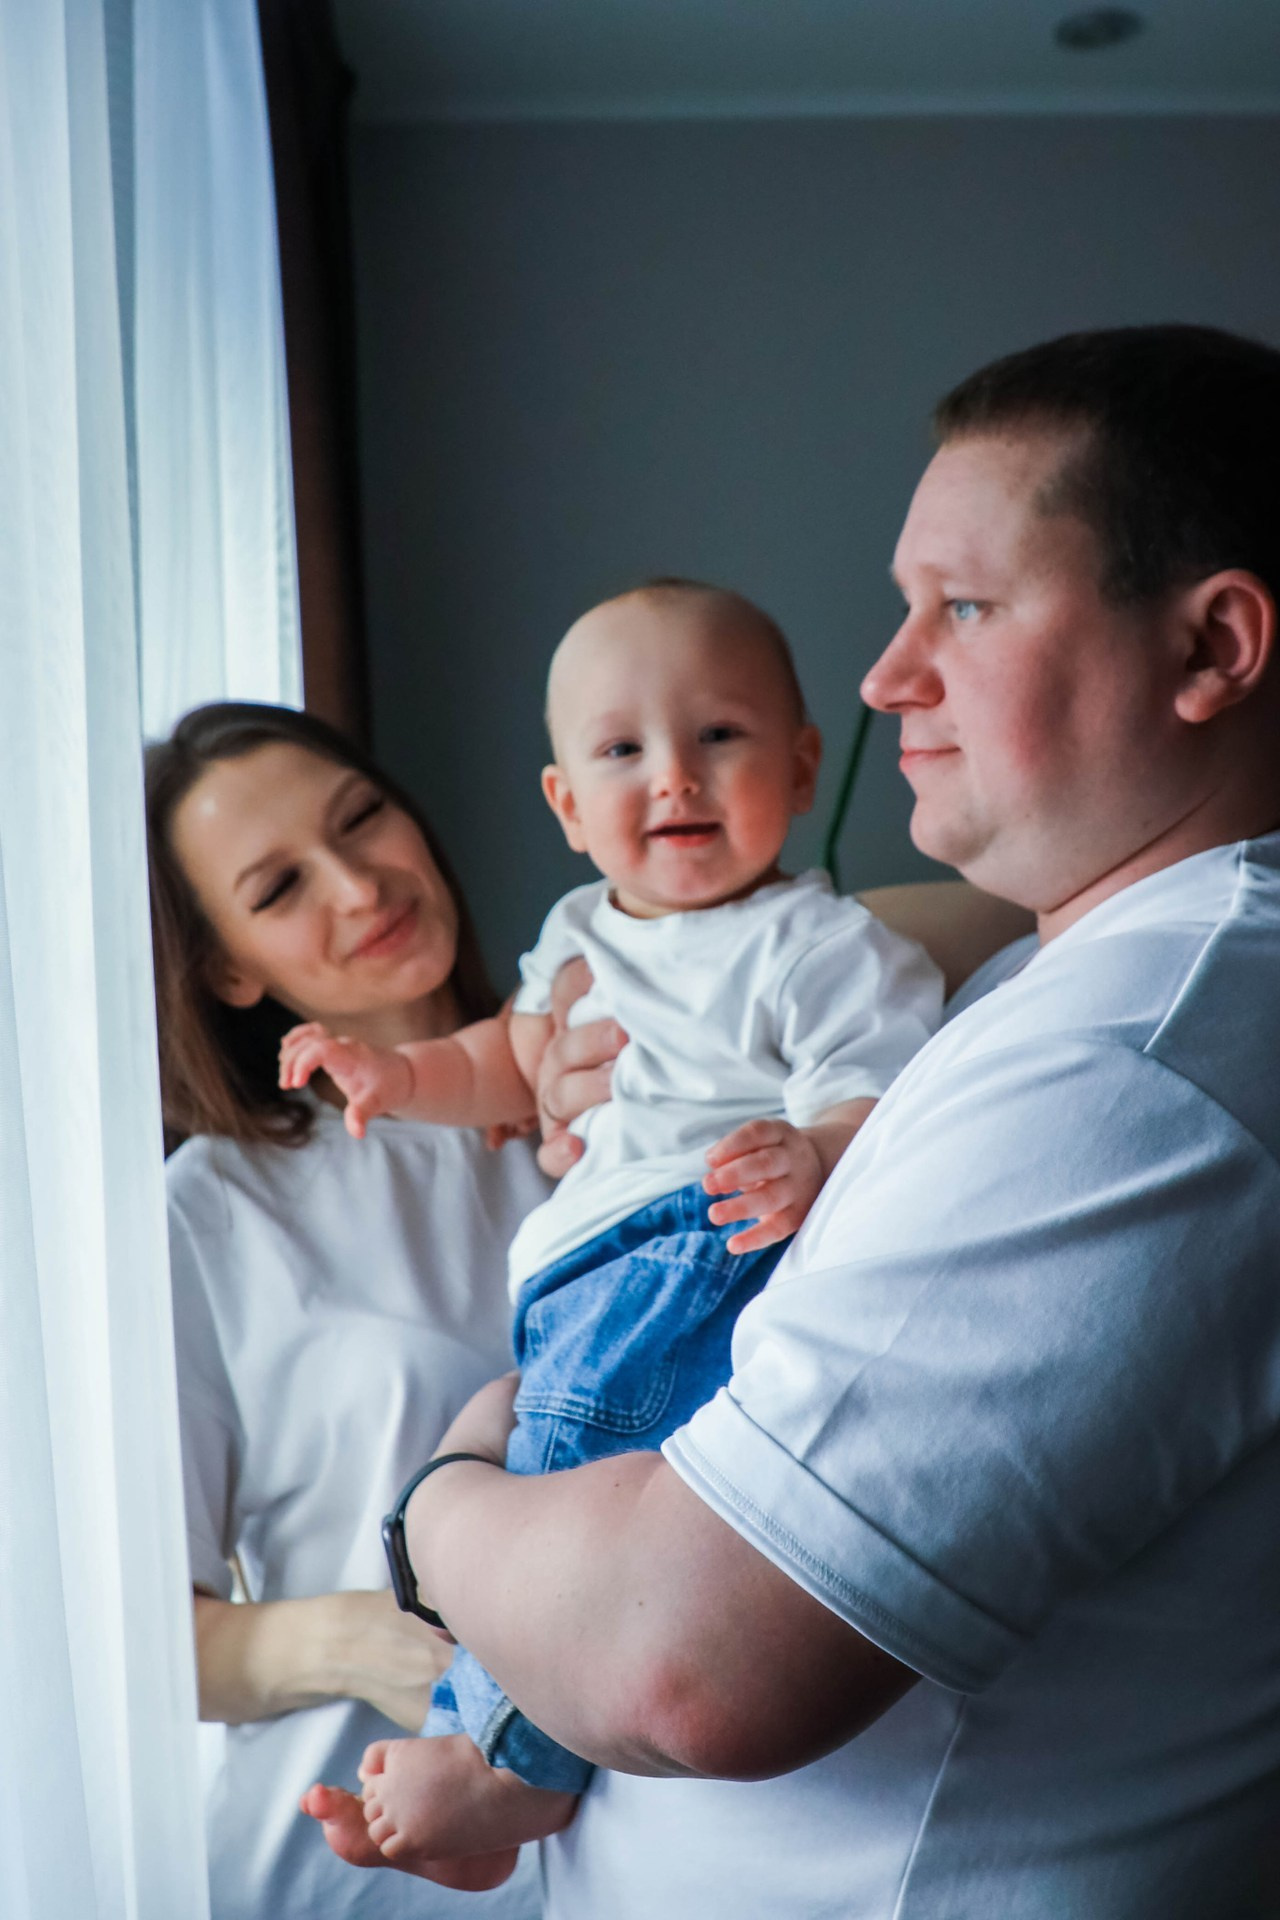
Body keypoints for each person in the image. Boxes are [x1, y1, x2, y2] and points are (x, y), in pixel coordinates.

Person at [356, 324, 1280, 1918]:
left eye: (963, 607)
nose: (884, 676)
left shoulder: (1137, 1065)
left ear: (1212, 647)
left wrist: (439, 1498)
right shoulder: (1083, 984)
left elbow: (681, 1664)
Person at [285, 582, 943, 1882]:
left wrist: (814, 1150)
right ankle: (488, 1745)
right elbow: (511, 1059)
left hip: (689, 1241)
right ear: (568, 806)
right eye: (623, 749)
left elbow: (876, 1087)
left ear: (801, 767)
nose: (674, 777)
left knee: (562, 1495)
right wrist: (397, 1078)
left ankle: (502, 1766)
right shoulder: (580, 932)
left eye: (720, 736)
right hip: (577, 1277)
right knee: (546, 1494)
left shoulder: (813, 942)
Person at [146, 703, 550, 1919]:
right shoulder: (215, 1209)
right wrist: (354, 1639)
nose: (359, 885)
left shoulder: (606, 1089)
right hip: (339, 1869)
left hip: (637, 1845)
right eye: (279, 887)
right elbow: (132, 1637)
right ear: (229, 967)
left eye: (361, 818)